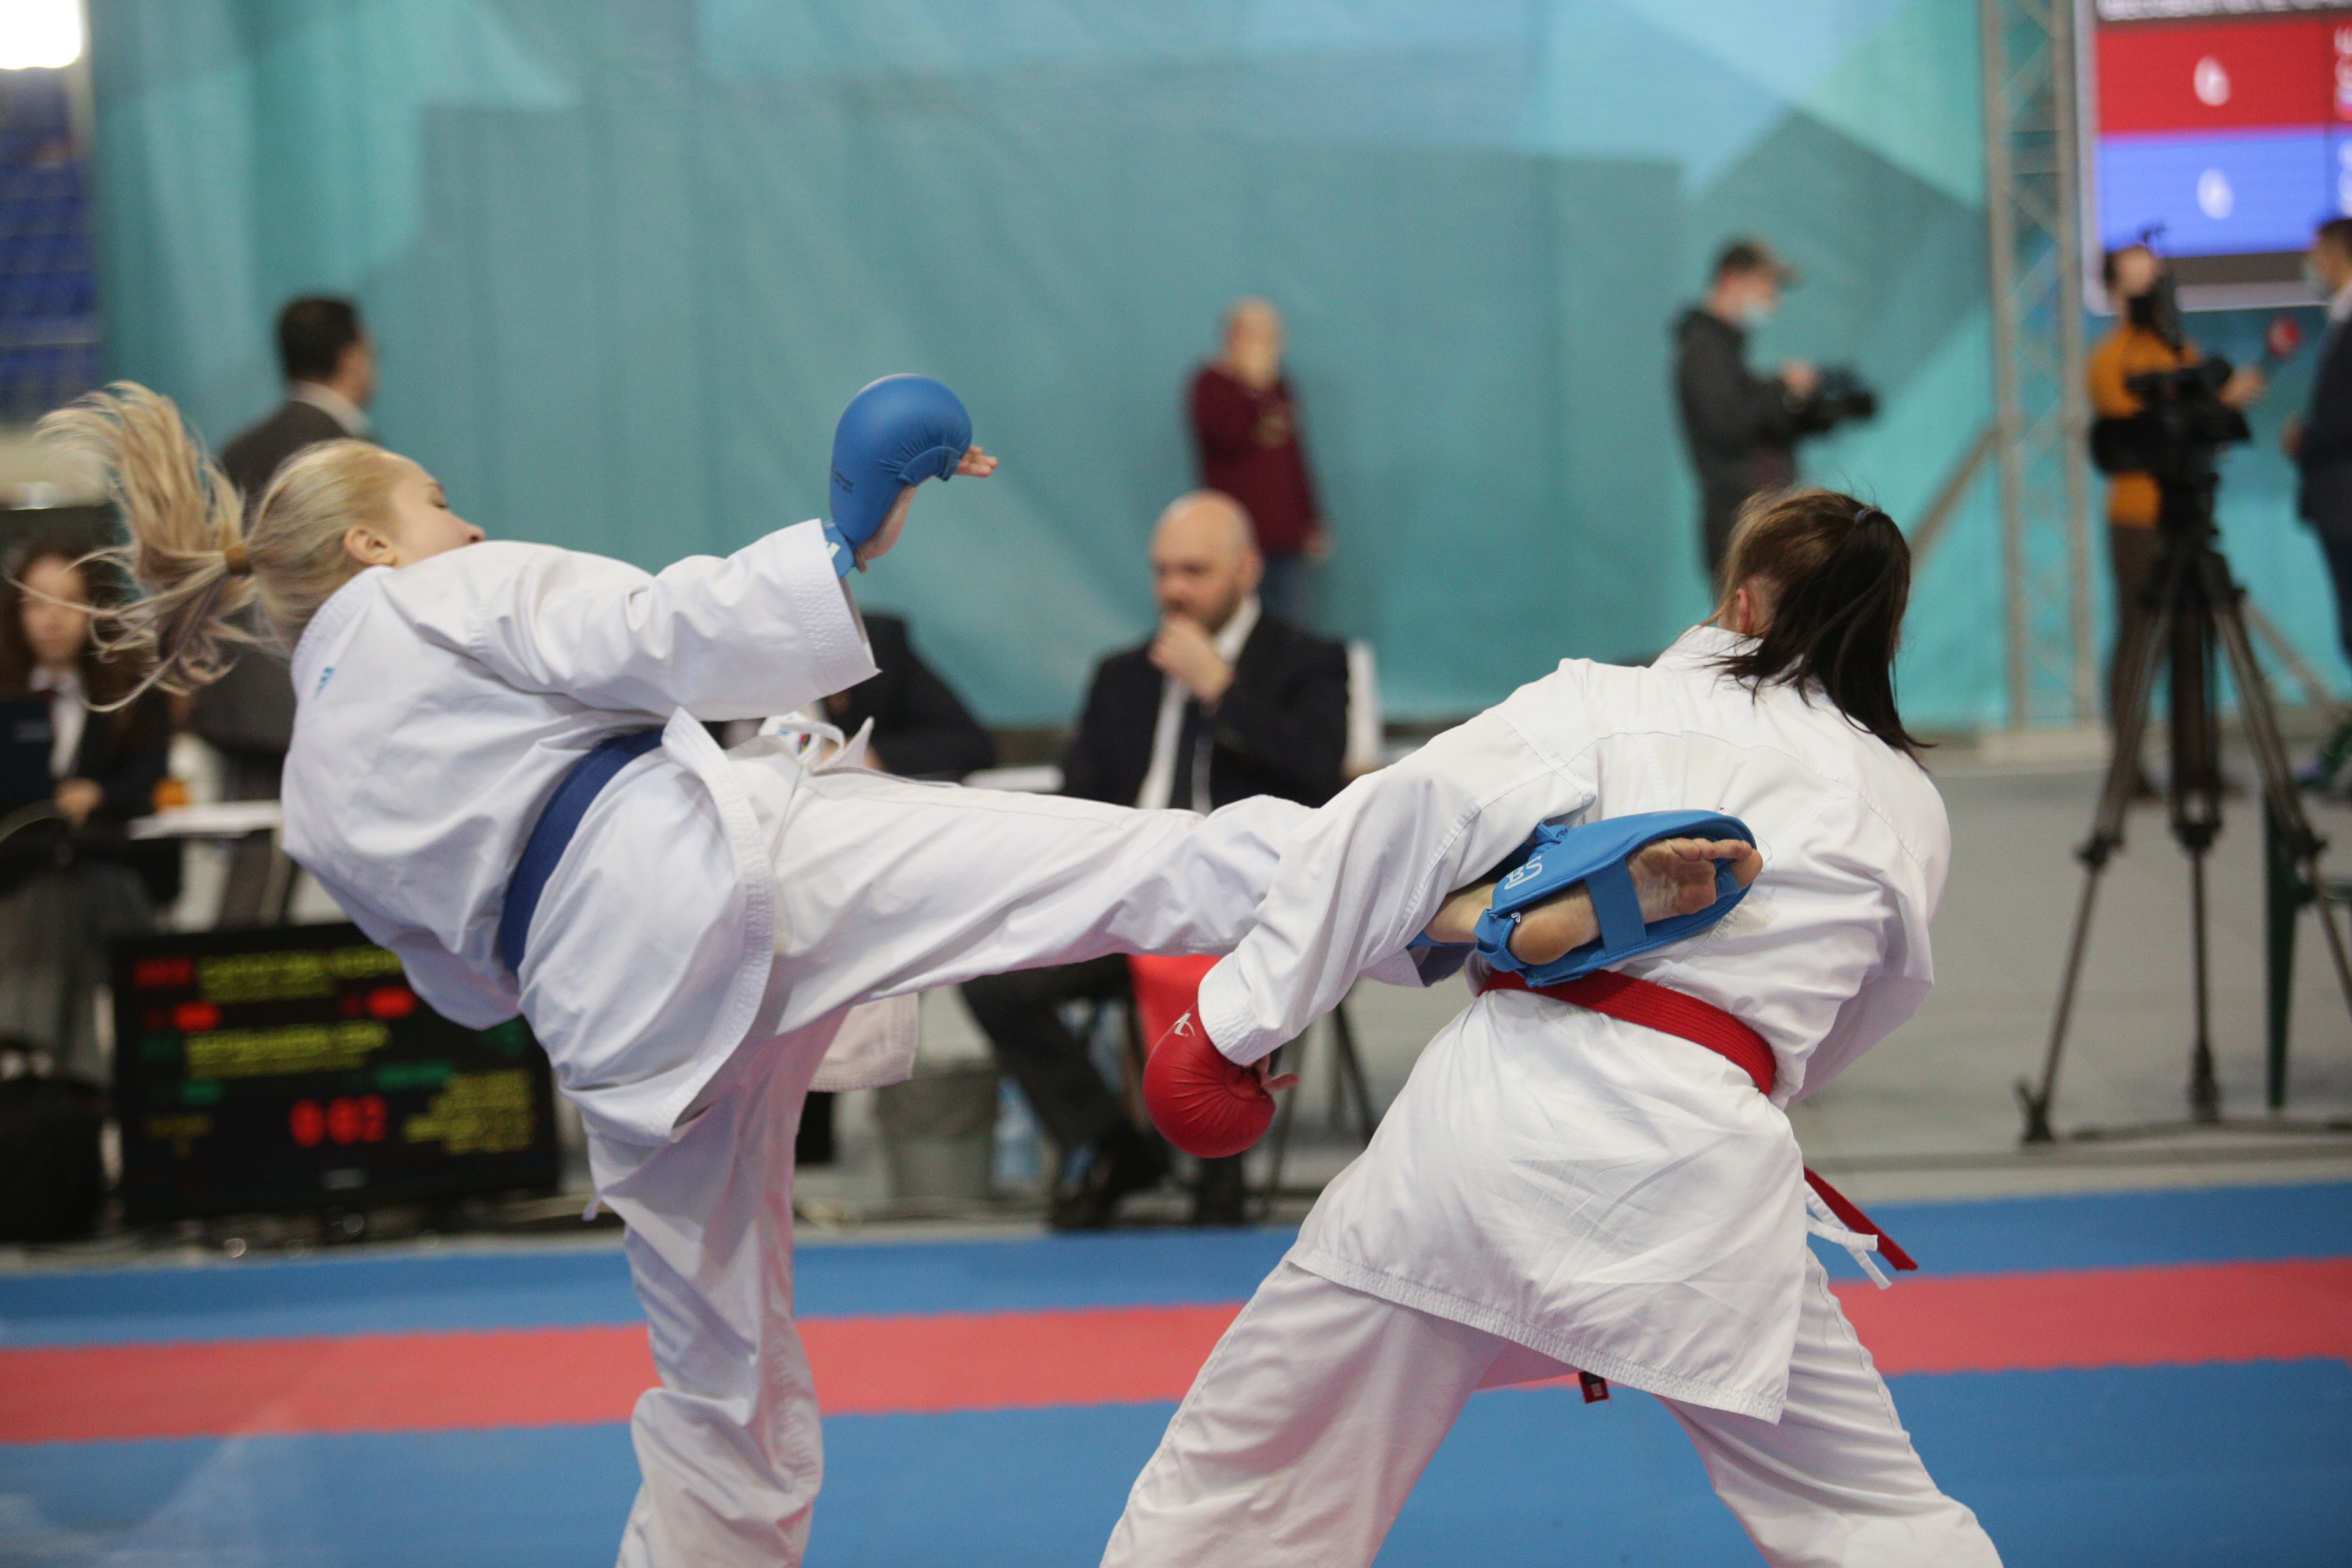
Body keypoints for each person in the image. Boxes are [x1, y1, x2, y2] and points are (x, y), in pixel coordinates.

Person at [49, 377, 1525, 1568]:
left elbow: (462, 989)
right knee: (1131, 866)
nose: (468, 516)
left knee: (723, 1394)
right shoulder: (436, 593)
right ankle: (1464, 890)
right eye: (437, 499)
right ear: (372, 544)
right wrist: (839, 540)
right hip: (719, 881)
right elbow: (652, 633)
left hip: (625, 1042)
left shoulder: (311, 789)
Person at [1106, 489, 2003, 1567]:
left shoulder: (1606, 701)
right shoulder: (1906, 804)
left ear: (1741, 604)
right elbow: (1866, 1011)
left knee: (1248, 1483)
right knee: (1873, 1515)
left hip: (1486, 1141)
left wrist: (1240, 1019)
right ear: (1884, 634)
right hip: (1710, 1164)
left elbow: (1394, 825)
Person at [961, 491, 1346, 1228]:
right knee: (991, 976)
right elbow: (1079, 800)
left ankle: (1218, 1158)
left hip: (1252, 912)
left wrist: (1221, 688)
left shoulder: (1307, 662)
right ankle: (1111, 1143)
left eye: (1194, 571)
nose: (1174, 589)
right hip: (1132, 903)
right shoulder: (1123, 674)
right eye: (1163, 570)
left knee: (1240, 979)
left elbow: (1321, 778)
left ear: (1246, 570)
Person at [194, 296, 380, 923]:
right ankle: (237, 984)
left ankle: (236, 980)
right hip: (305, 686)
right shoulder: (349, 457)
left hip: (241, 688)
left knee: (258, 866)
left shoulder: (241, 448)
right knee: (264, 872)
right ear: (352, 358)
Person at [2089, 244, 2265, 791]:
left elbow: (2193, 420)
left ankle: (2197, 765)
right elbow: (2147, 429)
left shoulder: (2180, 349)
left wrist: (2219, 407)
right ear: (2115, 293)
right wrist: (2211, 403)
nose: (2152, 296)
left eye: (2157, 283)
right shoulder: (2110, 358)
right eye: (2139, 285)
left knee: (2195, 639)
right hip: (2137, 520)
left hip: (2184, 513)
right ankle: (2128, 770)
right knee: (2140, 639)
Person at [0, 540, 172, 1079]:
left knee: (70, 897)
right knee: (52, 899)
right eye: (37, 603)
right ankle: (80, 1080)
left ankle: (41, 1066)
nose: (53, 619)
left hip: (108, 868)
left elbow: (149, 778)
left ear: (96, 608)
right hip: (19, 879)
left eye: (69, 602)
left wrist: (98, 795)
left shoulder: (132, 689)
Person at [1673, 239, 1824, 582]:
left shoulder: (1724, 354)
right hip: (1741, 530)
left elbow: (1749, 419)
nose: (1774, 298)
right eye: (1766, 283)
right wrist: (1781, 388)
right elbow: (1727, 425)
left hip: (1757, 528)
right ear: (1731, 279)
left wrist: (1798, 406)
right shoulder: (1704, 352)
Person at [1189, 300, 1326, 625]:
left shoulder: (1279, 388)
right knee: (1238, 618)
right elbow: (1225, 438)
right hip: (1239, 532)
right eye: (1263, 337)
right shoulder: (1211, 384)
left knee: (1288, 618)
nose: (1274, 346)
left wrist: (1310, 516)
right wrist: (1252, 392)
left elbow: (1293, 456)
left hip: (1284, 531)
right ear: (1235, 338)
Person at [2285, 219, 2352, 692]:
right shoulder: (2339, 320)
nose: (2311, 265)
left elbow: (2344, 417)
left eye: (2316, 253)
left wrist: (2305, 440)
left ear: (2336, 255)